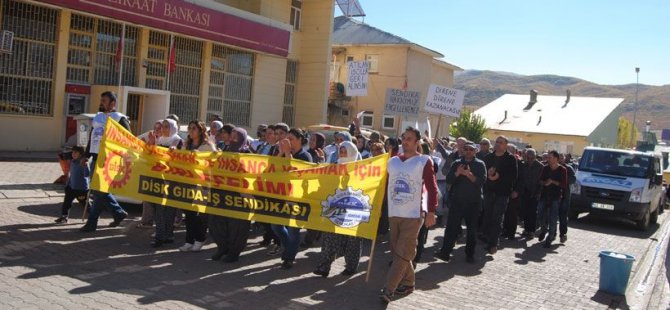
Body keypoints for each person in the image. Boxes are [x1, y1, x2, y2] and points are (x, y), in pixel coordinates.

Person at [379, 127, 437, 304]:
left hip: (413, 214)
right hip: (394, 213)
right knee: (399, 252)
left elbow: (432, 188)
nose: (405, 142)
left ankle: (389, 288)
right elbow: (384, 184)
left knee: (404, 251)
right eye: (404, 138)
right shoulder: (392, 161)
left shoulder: (424, 161)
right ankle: (409, 282)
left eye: (409, 139)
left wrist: (431, 211)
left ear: (417, 142)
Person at [80, 91, 130, 232]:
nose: (101, 102)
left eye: (104, 100)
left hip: (109, 160)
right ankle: (118, 212)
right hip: (96, 158)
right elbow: (93, 136)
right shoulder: (98, 117)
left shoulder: (120, 119)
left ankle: (92, 222)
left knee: (100, 190)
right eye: (101, 100)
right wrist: (86, 155)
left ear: (113, 103)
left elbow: (128, 139)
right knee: (97, 190)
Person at [313, 141, 364, 277]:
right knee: (329, 238)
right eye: (340, 151)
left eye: (344, 151)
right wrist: (322, 162)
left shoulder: (360, 169)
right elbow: (324, 179)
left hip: (353, 208)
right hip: (335, 206)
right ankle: (324, 267)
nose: (341, 154)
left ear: (352, 153)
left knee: (352, 240)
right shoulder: (335, 167)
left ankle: (351, 267)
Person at [435, 141, 486, 263]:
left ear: (475, 151)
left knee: (472, 230)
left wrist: (468, 174)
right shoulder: (457, 163)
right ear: (463, 150)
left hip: (473, 203)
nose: (468, 151)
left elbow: (481, 182)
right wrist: (458, 173)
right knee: (451, 228)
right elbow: (449, 179)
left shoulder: (480, 164)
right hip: (457, 201)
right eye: (466, 149)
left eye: (471, 149)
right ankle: (445, 252)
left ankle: (469, 255)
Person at [208, 127, 253, 262]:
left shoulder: (247, 153)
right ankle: (222, 247)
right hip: (221, 194)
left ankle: (234, 252)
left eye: (236, 135)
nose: (233, 137)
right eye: (232, 133)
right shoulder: (224, 151)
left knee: (237, 227)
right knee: (216, 222)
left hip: (239, 196)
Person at [272, 128, 313, 269]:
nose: (288, 142)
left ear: (300, 139)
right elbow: (271, 168)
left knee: (293, 229)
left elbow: (294, 173)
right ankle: (287, 246)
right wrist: (282, 153)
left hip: (297, 198)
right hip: (281, 196)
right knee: (276, 226)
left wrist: (288, 153)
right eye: (287, 139)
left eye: (292, 139)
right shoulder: (283, 154)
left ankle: (289, 257)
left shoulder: (305, 156)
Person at [179, 120, 217, 253]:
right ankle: (189, 240)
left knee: (199, 213)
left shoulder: (208, 145)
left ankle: (200, 239)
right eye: (189, 128)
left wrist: (199, 156)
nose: (190, 131)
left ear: (201, 131)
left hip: (202, 184)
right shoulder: (186, 144)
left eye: (193, 128)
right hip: (188, 182)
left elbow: (214, 159)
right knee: (188, 213)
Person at [481, 135, 518, 254]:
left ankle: (493, 243)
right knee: (488, 216)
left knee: (497, 218)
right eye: (496, 142)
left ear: (506, 145)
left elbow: (513, 176)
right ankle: (487, 238)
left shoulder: (510, 159)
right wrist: (488, 174)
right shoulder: (488, 157)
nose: (498, 144)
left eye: (501, 142)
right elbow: (483, 173)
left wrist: (499, 176)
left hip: (502, 193)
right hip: (489, 191)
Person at [150, 118, 183, 247]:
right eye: (162, 126)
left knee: (169, 210)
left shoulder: (178, 141)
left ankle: (168, 235)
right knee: (159, 209)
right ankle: (160, 236)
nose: (163, 129)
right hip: (158, 178)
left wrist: (174, 151)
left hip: (172, 180)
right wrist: (152, 144)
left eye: (166, 126)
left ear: (173, 128)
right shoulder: (159, 140)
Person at [536, 151, 567, 248]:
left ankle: (549, 239)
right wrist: (544, 183)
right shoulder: (545, 168)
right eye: (548, 157)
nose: (548, 159)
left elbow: (564, 184)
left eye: (550, 157)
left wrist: (552, 182)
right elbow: (540, 180)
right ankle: (544, 229)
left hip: (555, 196)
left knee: (553, 218)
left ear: (556, 158)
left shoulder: (562, 169)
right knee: (540, 213)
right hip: (544, 195)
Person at [55, 146, 90, 224]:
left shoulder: (83, 162)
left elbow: (87, 175)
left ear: (81, 154)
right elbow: (72, 174)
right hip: (71, 187)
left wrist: (85, 166)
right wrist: (68, 184)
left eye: (75, 153)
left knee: (85, 204)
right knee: (66, 203)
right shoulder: (72, 161)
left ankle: (92, 217)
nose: (73, 154)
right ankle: (64, 217)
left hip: (81, 189)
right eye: (73, 152)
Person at [519, 148, 544, 238]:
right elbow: (521, 178)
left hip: (535, 191)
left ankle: (531, 231)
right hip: (525, 191)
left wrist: (539, 192)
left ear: (534, 157)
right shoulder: (523, 165)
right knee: (525, 211)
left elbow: (541, 181)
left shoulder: (540, 166)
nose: (529, 159)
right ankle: (526, 229)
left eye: (531, 157)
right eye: (528, 157)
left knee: (532, 212)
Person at [502, 144, 523, 240]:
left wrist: (517, 191)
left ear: (515, 152)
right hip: (504, 190)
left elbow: (521, 179)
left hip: (514, 191)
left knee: (512, 213)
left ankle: (511, 233)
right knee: (505, 212)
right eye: (507, 150)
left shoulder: (519, 163)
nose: (509, 152)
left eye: (511, 150)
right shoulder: (503, 161)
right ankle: (504, 230)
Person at [558, 153, 576, 243]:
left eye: (562, 158)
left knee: (563, 216)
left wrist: (563, 180)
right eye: (559, 158)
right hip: (554, 195)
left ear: (564, 159)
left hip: (565, 196)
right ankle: (551, 233)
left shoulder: (568, 168)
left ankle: (563, 234)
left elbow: (573, 179)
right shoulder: (552, 167)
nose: (560, 159)